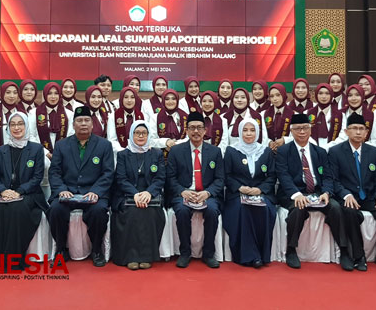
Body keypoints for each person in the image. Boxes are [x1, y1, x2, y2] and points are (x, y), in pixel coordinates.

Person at [276, 113, 349, 270]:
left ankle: (344, 250)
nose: (302, 132)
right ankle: (291, 250)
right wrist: (297, 195)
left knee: (336, 208)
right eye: (297, 129)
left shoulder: (320, 152)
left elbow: (328, 176)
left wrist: (326, 192)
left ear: (310, 130)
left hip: (317, 192)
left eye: (305, 128)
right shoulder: (283, 151)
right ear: (291, 131)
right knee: (297, 209)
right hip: (294, 192)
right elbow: (283, 176)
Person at [328, 113, 376, 271]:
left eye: (361, 129)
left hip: (370, 196)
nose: (358, 132)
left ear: (367, 132)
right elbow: (334, 180)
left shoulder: (374, 153)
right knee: (350, 212)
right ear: (346, 132)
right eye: (354, 129)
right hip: (348, 196)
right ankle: (358, 256)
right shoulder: (335, 152)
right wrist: (346, 194)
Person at [0, 112, 48, 270]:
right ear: (8, 128)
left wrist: (19, 192)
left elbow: (37, 177)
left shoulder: (37, 149)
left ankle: (13, 259)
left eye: (20, 124)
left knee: (18, 208)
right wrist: (3, 191)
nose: (17, 128)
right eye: (13, 124)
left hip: (29, 194)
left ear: (26, 126)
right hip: (4, 193)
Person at [48, 106, 114, 267]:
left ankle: (97, 250)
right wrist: (62, 190)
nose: (83, 124)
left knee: (98, 212)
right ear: (73, 124)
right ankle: (61, 250)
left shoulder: (104, 145)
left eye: (86, 120)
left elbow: (108, 173)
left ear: (92, 125)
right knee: (55, 210)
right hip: (68, 192)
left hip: (92, 193)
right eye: (79, 121)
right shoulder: (61, 145)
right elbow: (54, 172)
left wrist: (95, 192)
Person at [166, 111, 224, 269]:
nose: (196, 131)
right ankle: (185, 252)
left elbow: (220, 179)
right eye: (192, 128)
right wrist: (182, 191)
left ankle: (208, 253)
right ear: (186, 130)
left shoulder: (215, 151)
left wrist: (208, 193)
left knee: (212, 210)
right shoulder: (176, 151)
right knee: (182, 211)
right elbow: (170, 178)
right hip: (185, 192)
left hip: (206, 193)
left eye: (199, 128)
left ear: (205, 131)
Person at [110, 120, 166, 270]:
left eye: (144, 133)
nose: (141, 136)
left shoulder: (156, 153)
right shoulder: (123, 154)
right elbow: (120, 179)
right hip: (127, 195)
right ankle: (131, 257)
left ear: (148, 135)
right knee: (133, 211)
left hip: (150, 195)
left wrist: (148, 193)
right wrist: (135, 194)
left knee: (148, 211)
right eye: (137, 133)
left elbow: (160, 178)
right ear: (131, 135)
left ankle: (146, 257)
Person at [223, 118, 276, 268]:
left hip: (261, 193)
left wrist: (260, 189)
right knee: (243, 208)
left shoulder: (265, 151)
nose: (248, 134)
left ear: (258, 132)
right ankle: (248, 256)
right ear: (239, 132)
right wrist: (240, 188)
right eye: (245, 130)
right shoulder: (232, 150)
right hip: (237, 194)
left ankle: (262, 254)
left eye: (252, 130)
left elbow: (272, 176)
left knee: (264, 208)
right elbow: (226, 175)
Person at [32, 82, 72, 156]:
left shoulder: (69, 114)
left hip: (63, 154)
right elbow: (31, 135)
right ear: (45, 95)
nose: (53, 97)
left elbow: (71, 135)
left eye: (56, 93)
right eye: (49, 93)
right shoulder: (34, 113)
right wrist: (45, 152)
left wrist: (61, 151)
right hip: (41, 155)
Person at [307, 83, 345, 150]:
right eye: (320, 93)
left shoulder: (340, 115)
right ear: (316, 95)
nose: (324, 96)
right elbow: (305, 132)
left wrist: (327, 148)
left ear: (331, 95)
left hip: (334, 151)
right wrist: (316, 148)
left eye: (327, 93)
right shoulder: (307, 113)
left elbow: (343, 136)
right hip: (313, 150)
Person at [153, 89, 188, 156]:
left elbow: (189, 138)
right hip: (161, 157)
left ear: (177, 100)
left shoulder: (185, 116)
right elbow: (151, 140)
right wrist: (166, 142)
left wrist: (175, 144)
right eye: (167, 99)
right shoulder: (155, 117)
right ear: (163, 101)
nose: (170, 102)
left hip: (182, 154)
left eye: (173, 99)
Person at [108, 86, 144, 152]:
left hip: (138, 153)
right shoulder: (113, 116)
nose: (129, 100)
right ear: (121, 99)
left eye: (132, 97)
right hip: (119, 154)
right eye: (126, 97)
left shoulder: (141, 115)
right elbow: (111, 140)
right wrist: (124, 151)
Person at [264, 84, 293, 152]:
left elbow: (297, 134)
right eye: (272, 96)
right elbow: (262, 134)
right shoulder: (265, 114)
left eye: (278, 95)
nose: (275, 98)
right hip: (269, 150)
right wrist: (269, 142)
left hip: (287, 150)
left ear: (283, 95)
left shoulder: (293, 114)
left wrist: (284, 140)